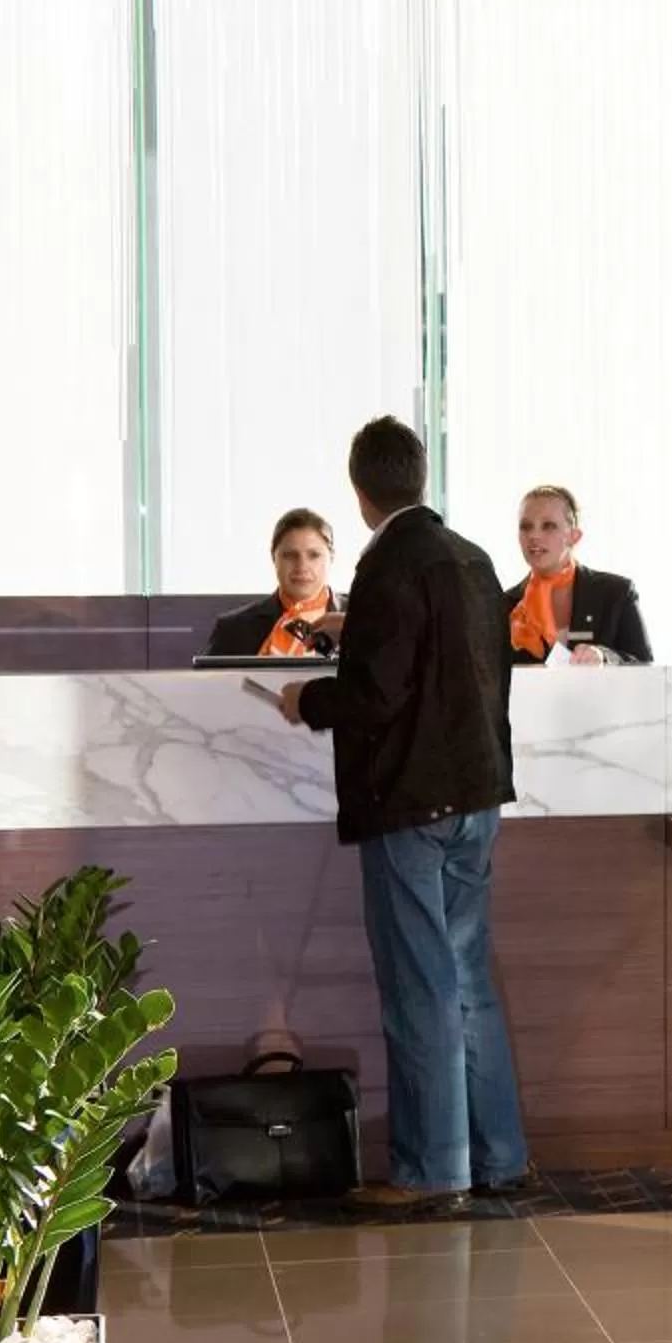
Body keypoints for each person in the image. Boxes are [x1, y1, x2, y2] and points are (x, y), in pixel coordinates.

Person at [275, 419, 532, 1207]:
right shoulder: (474, 558)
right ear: (420, 478)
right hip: (478, 796)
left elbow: (378, 693)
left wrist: (306, 697)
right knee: (467, 984)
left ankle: (430, 1171)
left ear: (360, 495)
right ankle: (497, 1157)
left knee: (419, 984)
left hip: (410, 803)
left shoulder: (387, 564)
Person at [505, 485, 653, 665]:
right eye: (526, 526)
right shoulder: (505, 605)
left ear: (574, 536)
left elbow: (645, 666)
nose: (534, 535)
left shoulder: (616, 593)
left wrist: (603, 657)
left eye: (548, 526)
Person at [207, 509, 342, 658]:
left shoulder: (362, 621)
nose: (302, 566)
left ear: (331, 558)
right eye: (290, 555)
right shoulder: (233, 629)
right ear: (273, 558)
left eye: (314, 555)